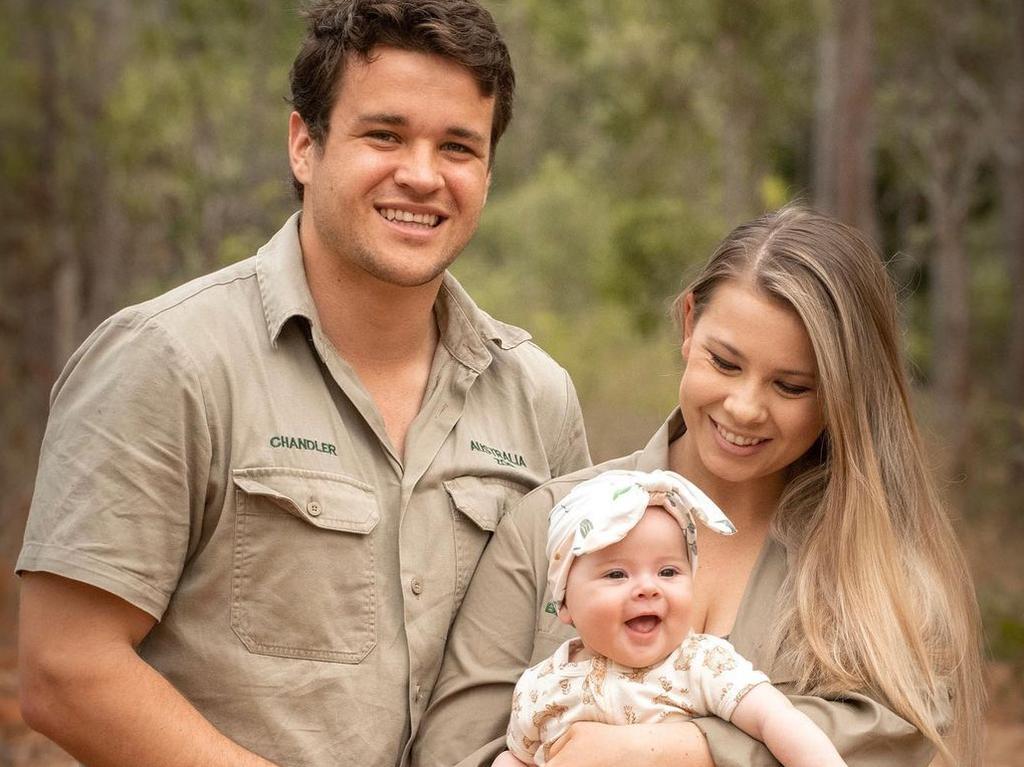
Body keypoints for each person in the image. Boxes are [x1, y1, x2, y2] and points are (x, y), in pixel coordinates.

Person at [15, 2, 589, 766]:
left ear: (486, 171)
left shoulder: (539, 399)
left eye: (458, 146)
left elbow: (578, 650)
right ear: (304, 145)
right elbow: (66, 669)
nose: (421, 175)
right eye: (384, 134)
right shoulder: (169, 360)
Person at [412, 204, 985, 767]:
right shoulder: (547, 521)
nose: (744, 408)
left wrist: (684, 749)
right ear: (689, 324)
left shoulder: (874, 566)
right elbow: (453, 750)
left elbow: (898, 734)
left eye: (791, 387)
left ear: (842, 394)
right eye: (725, 363)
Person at [495, 469, 848, 767]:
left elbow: (776, 720)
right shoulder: (541, 685)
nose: (648, 588)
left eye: (667, 571)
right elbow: (516, 757)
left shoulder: (701, 664)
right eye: (617, 575)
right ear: (565, 604)